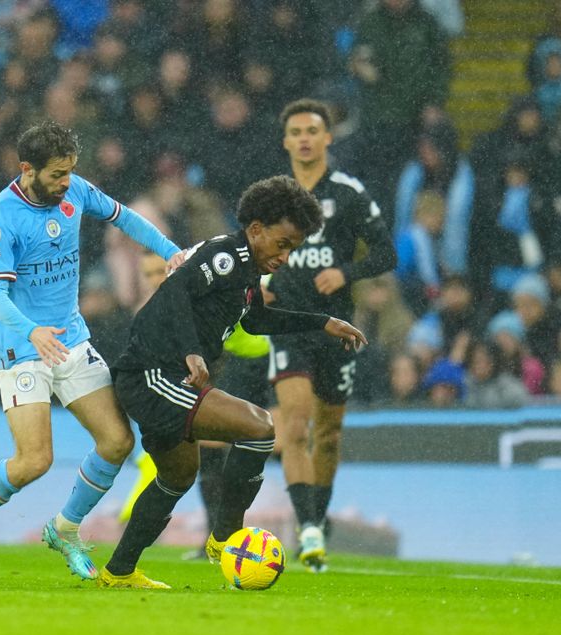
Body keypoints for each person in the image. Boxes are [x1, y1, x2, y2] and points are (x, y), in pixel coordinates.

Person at [0, 121, 182, 585]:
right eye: (57, 174)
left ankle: (64, 529)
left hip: (71, 339)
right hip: (22, 348)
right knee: (34, 461)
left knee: (118, 441)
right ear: (28, 169)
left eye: (70, 172)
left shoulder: (76, 191)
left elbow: (124, 216)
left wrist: (171, 251)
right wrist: (33, 332)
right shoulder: (1, 217)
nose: (66, 182)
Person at [97, 176, 367, 589]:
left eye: (292, 248)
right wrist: (191, 350)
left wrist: (323, 322)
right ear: (256, 229)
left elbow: (256, 318)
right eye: (282, 243)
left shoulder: (245, 269)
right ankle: (224, 538)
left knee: (176, 477)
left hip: (168, 375)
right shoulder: (226, 255)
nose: (285, 256)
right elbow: (175, 292)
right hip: (152, 373)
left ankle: (118, 572)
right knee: (259, 427)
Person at [206, 99, 396, 573]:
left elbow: (387, 253)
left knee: (328, 433)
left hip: (338, 327)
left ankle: (318, 518)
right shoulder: (274, 197)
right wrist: (260, 286)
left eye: (313, 130)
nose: (305, 138)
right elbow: (245, 246)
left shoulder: (348, 193)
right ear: (286, 140)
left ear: (328, 138)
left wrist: (346, 272)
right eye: (296, 131)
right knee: (293, 422)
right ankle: (308, 527)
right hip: (288, 324)